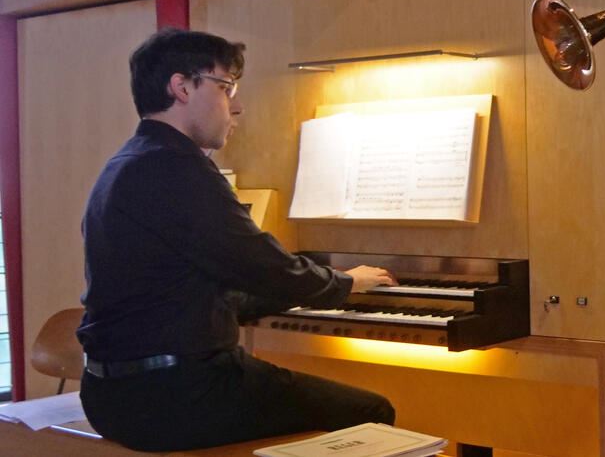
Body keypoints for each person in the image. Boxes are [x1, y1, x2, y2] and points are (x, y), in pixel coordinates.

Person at [79, 28, 398, 452]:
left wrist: (299, 288)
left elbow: (197, 288)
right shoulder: (178, 168)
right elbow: (266, 268)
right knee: (371, 412)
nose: (238, 105)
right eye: (227, 88)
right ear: (181, 87)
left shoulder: (127, 162)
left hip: (115, 391)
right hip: (178, 393)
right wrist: (345, 284)